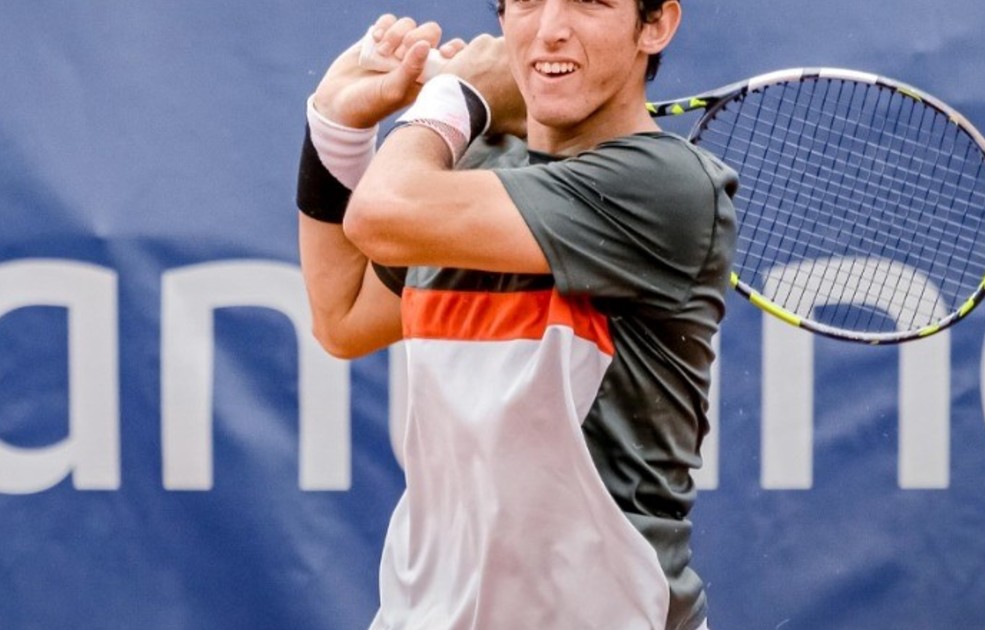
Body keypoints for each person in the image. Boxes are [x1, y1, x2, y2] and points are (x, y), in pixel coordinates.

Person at [295, 1, 735, 628]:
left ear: (655, 25)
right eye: (527, 0)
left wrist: (457, 97)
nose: (550, 28)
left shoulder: (666, 187)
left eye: (590, 1)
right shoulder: (466, 168)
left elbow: (379, 213)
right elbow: (341, 319)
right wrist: (338, 126)